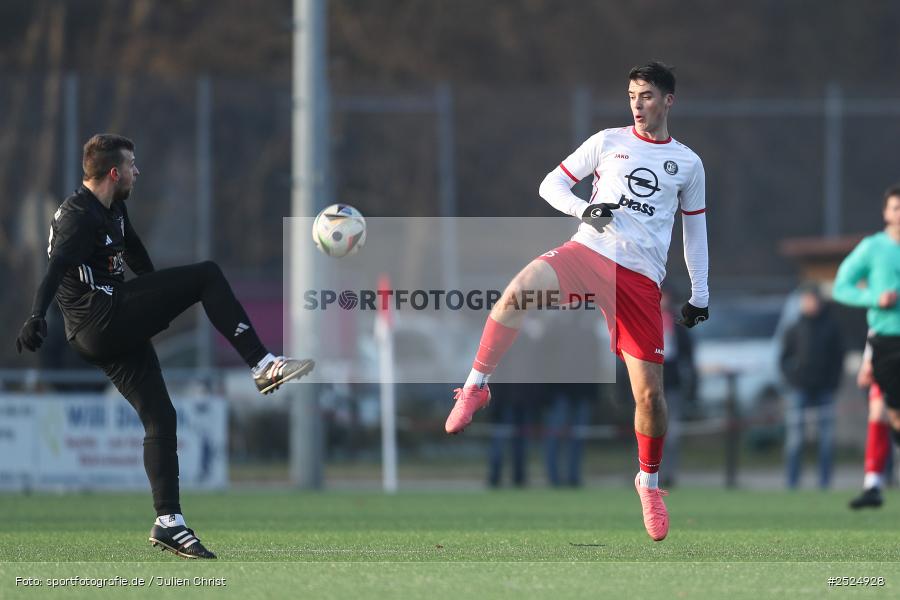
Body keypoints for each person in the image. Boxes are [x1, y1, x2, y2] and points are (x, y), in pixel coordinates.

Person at [15, 134, 314, 559]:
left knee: (161, 416)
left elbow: (136, 254)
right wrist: (36, 315)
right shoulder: (79, 216)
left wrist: (157, 297)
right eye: (132, 165)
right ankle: (263, 364)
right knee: (207, 275)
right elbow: (56, 267)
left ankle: (169, 522)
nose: (137, 172)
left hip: (107, 329)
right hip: (102, 318)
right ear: (114, 172)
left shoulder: (111, 207)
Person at [445, 62, 710, 541]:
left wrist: (700, 293)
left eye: (647, 95)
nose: (637, 104)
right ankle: (475, 387)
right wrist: (584, 209)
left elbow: (695, 233)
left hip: (639, 280)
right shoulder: (607, 141)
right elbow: (550, 184)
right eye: (632, 95)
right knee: (515, 295)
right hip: (588, 251)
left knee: (650, 397)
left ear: (668, 100)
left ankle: (649, 484)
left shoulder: (687, 164)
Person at [833, 185, 900, 501]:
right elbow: (841, 286)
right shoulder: (873, 248)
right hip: (884, 341)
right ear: (886, 212)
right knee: (879, 411)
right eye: (895, 208)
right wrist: (874, 298)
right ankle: (873, 482)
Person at [779, 284, 845, 489]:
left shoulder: (831, 327)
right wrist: (791, 381)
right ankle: (792, 483)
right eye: (806, 300)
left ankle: (824, 483)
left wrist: (833, 383)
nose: (809, 304)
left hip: (825, 389)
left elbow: (838, 358)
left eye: (812, 300)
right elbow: (783, 359)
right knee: (795, 439)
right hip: (800, 389)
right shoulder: (794, 328)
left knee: (826, 440)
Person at [849, 334, 892, 509]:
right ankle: (872, 484)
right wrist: (867, 360)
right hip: (885, 354)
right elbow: (875, 327)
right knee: (877, 413)